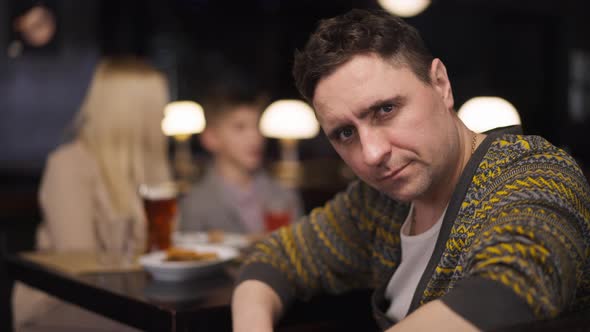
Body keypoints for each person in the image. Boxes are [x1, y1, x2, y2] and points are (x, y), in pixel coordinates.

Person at [231, 9, 590, 332]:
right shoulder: (378, 205)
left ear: (440, 84)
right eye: (345, 133)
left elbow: (510, 287)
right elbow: (275, 258)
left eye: (385, 110)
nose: (371, 154)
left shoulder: (535, 173)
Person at [13, 56, 171, 332]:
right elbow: (80, 262)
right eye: (158, 107)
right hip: (62, 304)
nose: (163, 115)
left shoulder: (152, 169)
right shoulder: (68, 164)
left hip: (133, 300)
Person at [179, 87, 303, 235]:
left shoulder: (285, 195)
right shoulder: (195, 203)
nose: (255, 137)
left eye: (258, 126)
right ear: (210, 138)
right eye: (240, 127)